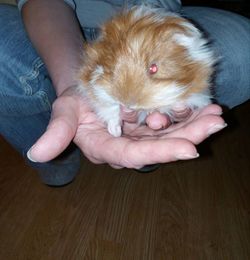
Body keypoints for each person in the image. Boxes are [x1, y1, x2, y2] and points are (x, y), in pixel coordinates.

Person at [0, 0, 249, 186]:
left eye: (152, 69)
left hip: (157, 13)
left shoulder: (182, 50)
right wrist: (69, 86)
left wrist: (147, 23)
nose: (131, 96)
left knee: (243, 52)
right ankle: (57, 153)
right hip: (56, 26)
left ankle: (152, 137)